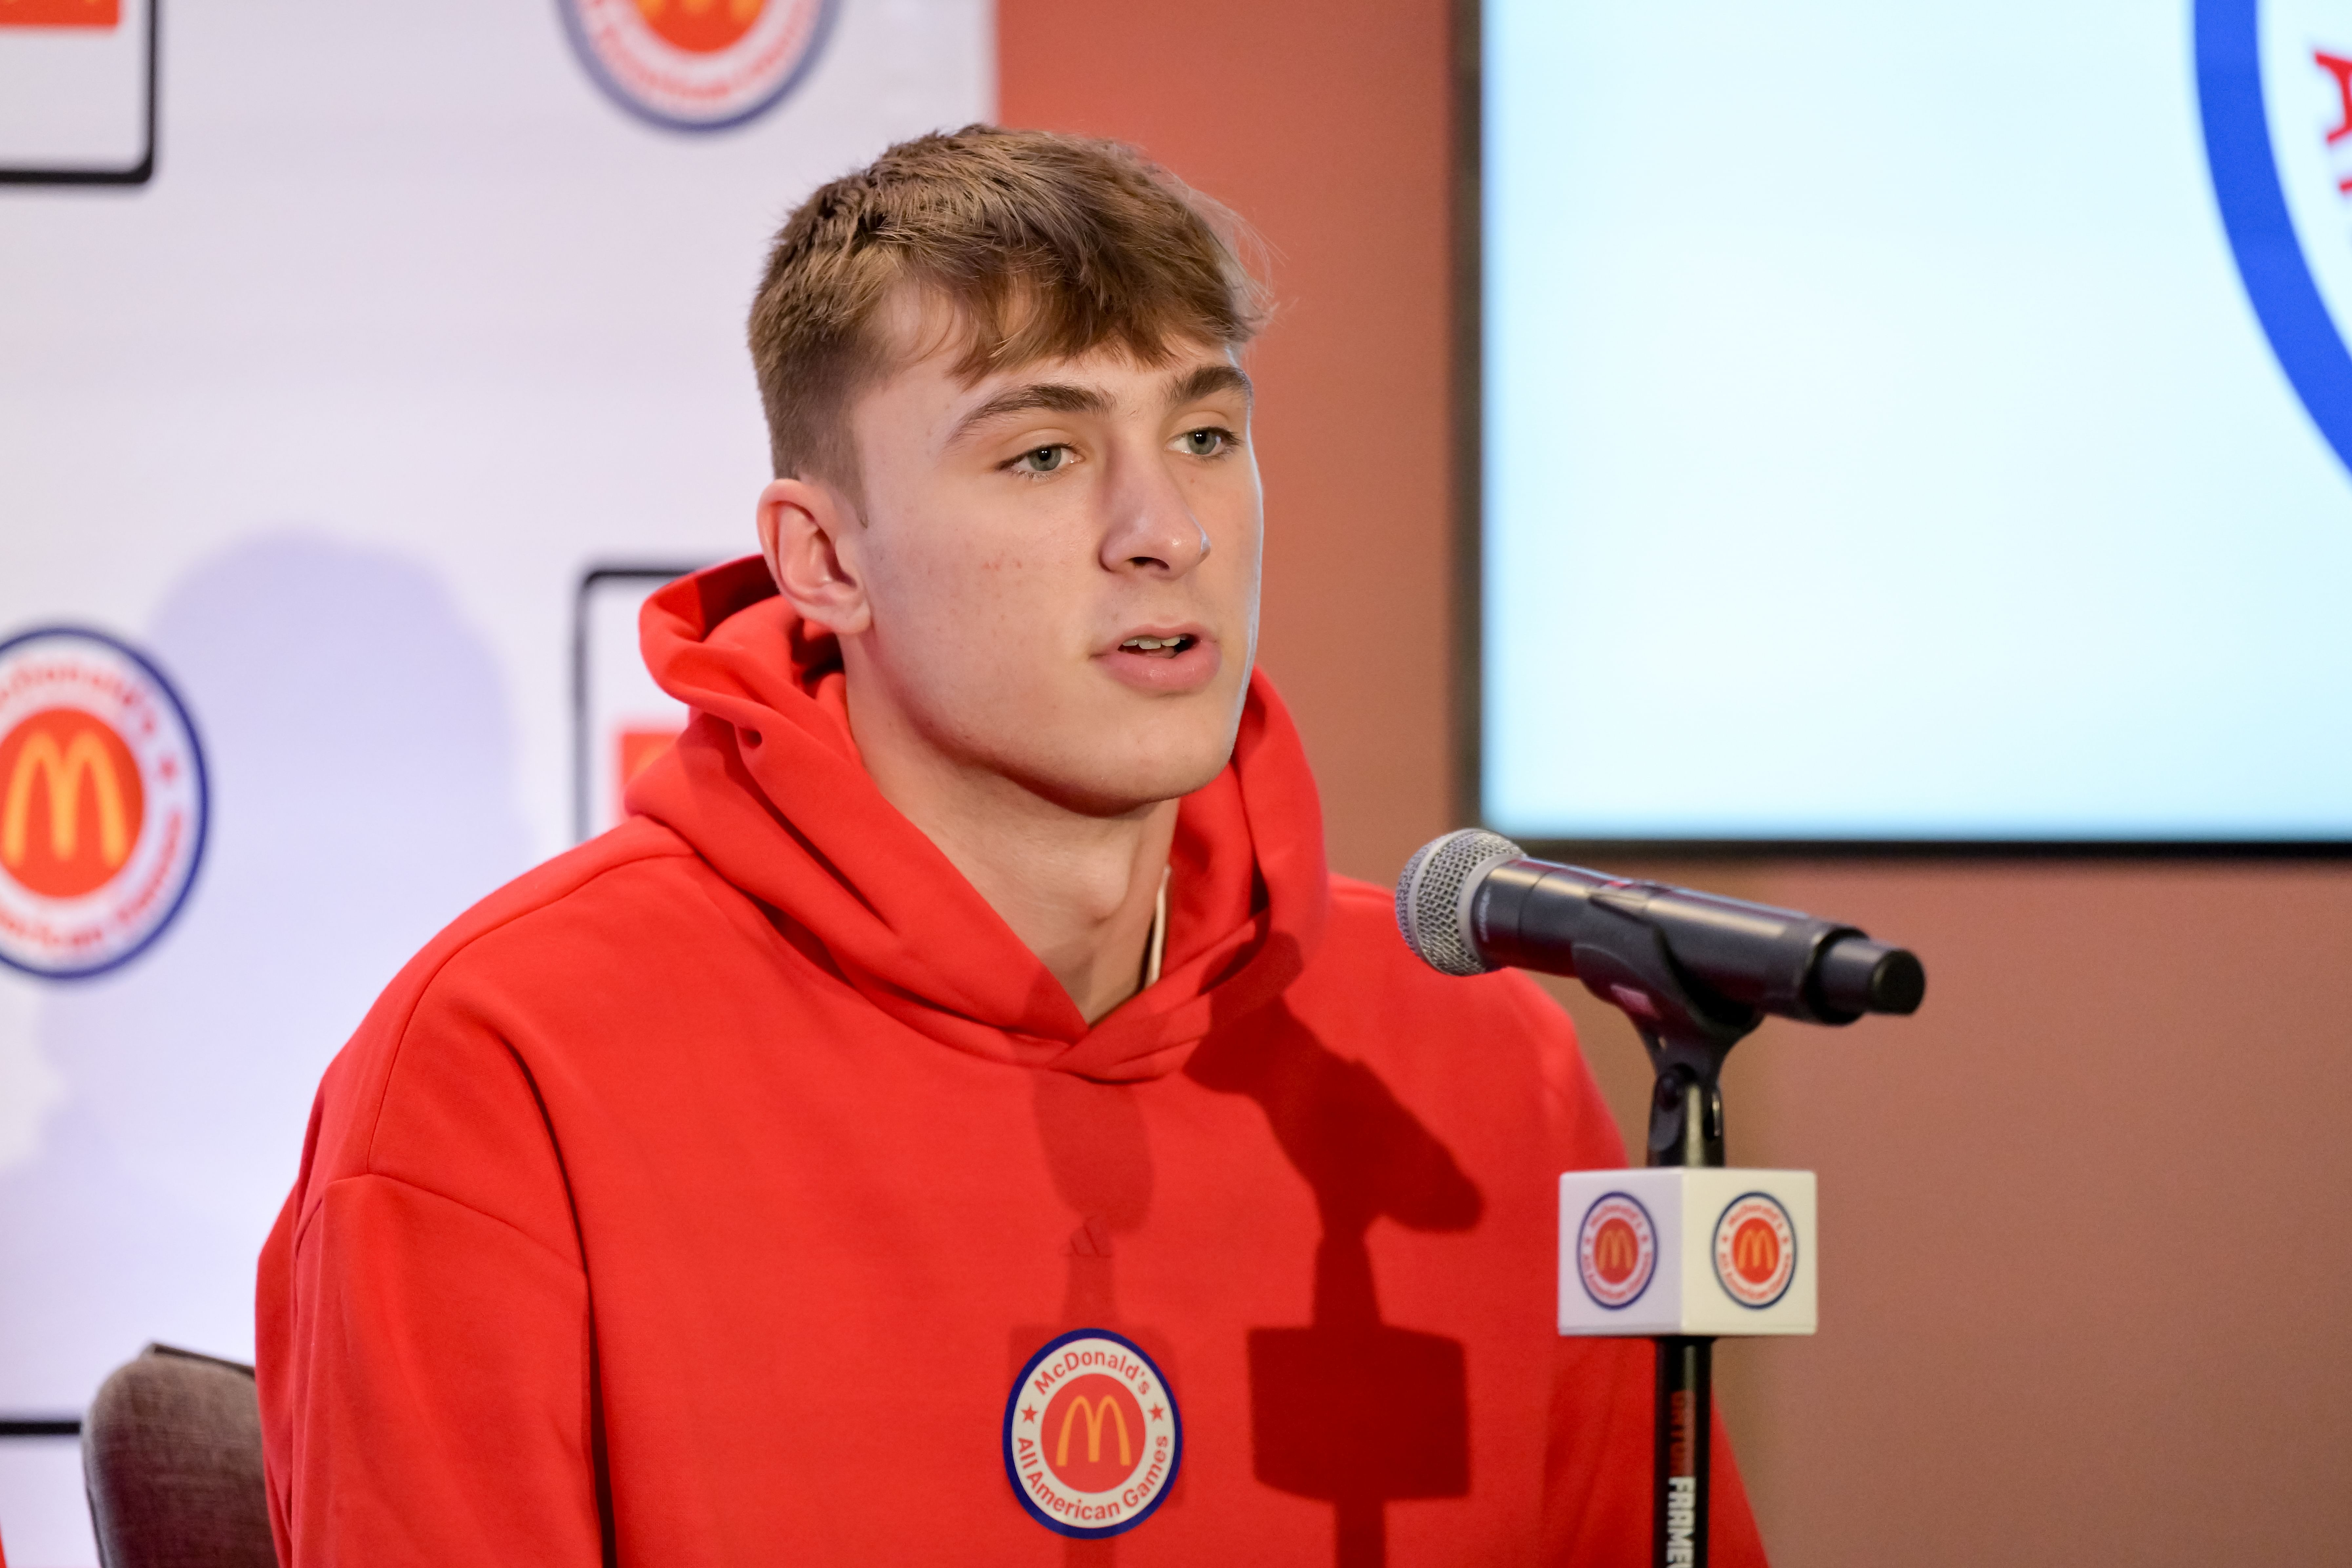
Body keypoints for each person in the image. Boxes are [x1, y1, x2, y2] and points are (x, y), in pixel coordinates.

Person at [254, 126, 1767, 1566]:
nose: (1163, 526)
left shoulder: (1479, 1060)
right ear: (826, 558)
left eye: (1205, 430)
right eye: (1044, 453)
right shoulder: (503, 1066)